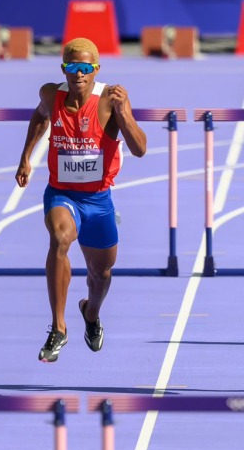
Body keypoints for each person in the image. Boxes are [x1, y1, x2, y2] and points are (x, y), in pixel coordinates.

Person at [15, 37, 147, 363]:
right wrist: (25, 157)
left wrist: (123, 113)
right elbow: (40, 117)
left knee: (101, 274)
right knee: (60, 238)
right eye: (73, 68)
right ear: (64, 69)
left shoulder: (109, 100)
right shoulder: (51, 93)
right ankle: (58, 327)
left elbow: (140, 148)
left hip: (99, 200)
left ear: (95, 70)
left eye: (85, 68)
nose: (79, 75)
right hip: (62, 194)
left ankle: (90, 313)